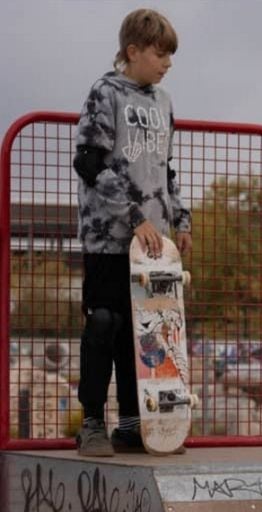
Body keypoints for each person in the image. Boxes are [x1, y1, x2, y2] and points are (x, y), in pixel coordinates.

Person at [73, 8, 192, 456]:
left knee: (144, 332)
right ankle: (90, 423)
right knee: (105, 322)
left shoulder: (163, 102)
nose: (167, 64)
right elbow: (89, 161)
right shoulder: (106, 92)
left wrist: (180, 219)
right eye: (161, 54)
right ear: (133, 51)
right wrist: (133, 216)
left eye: (170, 56)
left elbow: (165, 168)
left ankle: (131, 424)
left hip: (153, 246)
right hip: (110, 236)